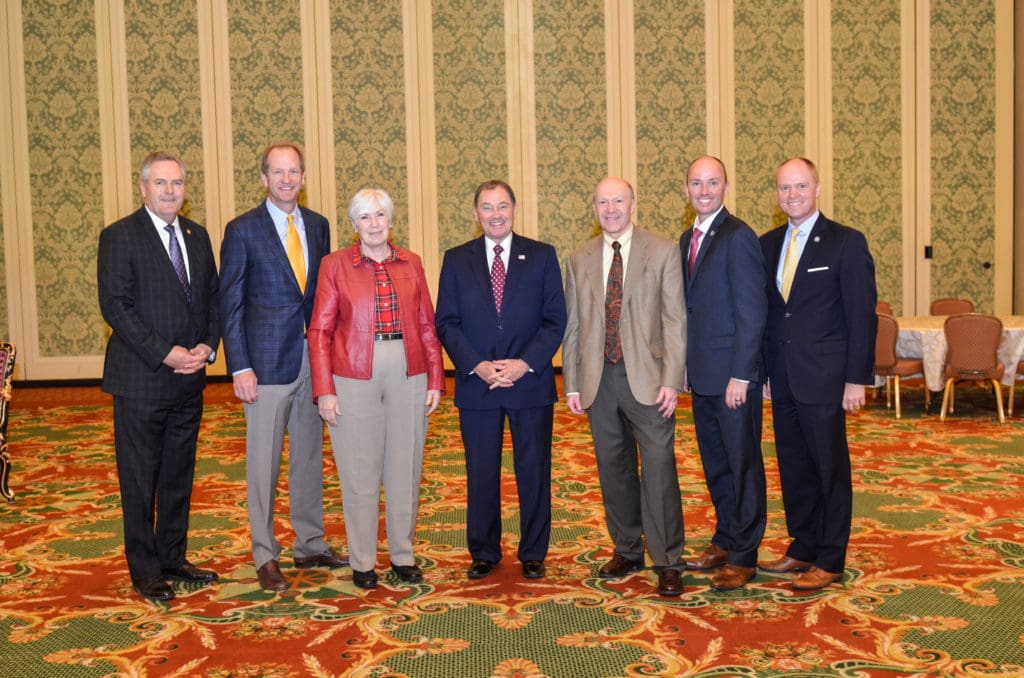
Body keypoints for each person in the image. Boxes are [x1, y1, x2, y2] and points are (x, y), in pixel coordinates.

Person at [219, 142, 346, 593]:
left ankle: (310, 543)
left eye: (294, 172)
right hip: (265, 368)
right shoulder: (242, 230)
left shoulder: (318, 225)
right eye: (278, 172)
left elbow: (321, 300)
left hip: (312, 362)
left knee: (310, 458)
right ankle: (264, 554)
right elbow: (230, 305)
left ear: (304, 176)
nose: (287, 180)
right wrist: (240, 368)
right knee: (263, 465)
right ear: (264, 178)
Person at [97, 151, 220, 602]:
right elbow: (116, 307)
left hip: (190, 378)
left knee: (177, 474)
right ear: (144, 187)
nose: (171, 191)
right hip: (142, 379)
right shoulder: (120, 236)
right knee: (139, 477)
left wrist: (207, 346)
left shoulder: (197, 235)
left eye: (178, 183)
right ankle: (145, 569)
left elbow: (212, 298)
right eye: (161, 183)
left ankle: (172, 557)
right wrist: (165, 353)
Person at [308, 188, 444, 590]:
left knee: (405, 468)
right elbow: (319, 331)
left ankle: (403, 555)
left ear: (390, 220)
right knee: (359, 472)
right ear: (354, 225)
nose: (374, 224)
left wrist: (435, 377)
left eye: (380, 215)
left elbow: (426, 325)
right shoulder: (334, 266)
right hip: (352, 375)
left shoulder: (412, 263)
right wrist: (324, 390)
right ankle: (363, 560)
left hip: (408, 371)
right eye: (365, 217)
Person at [562, 176, 688, 597]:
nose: (611, 208)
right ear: (594, 208)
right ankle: (627, 548)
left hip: (650, 380)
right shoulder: (578, 259)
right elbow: (574, 327)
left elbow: (674, 320)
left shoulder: (664, 250)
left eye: (618, 200)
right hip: (600, 381)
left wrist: (672, 379)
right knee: (613, 469)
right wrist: (573, 383)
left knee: (658, 469)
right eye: (602, 202)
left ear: (634, 204)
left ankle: (668, 559)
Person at [435, 180, 567, 581]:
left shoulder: (542, 256)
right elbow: (447, 321)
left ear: (515, 209)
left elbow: (555, 319)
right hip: (478, 384)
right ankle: (484, 551)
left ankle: (533, 551)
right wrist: (477, 365)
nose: (496, 214)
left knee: (534, 470)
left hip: (529, 383)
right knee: (481, 471)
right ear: (476, 213)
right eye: (487, 207)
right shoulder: (456, 259)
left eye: (503, 206)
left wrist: (524, 364)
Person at [758, 157, 877, 590]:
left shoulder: (846, 243)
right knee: (792, 464)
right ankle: (803, 546)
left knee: (829, 467)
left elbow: (862, 316)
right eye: (784, 188)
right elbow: (769, 314)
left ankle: (831, 557)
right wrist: (765, 372)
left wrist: (855, 379)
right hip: (783, 377)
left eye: (800, 187)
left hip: (827, 379)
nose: (792, 195)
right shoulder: (767, 244)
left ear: (818, 188)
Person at [679, 156, 768, 591]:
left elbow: (753, 314)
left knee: (743, 465)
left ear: (726, 187)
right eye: (697, 183)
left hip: (733, 381)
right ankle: (725, 537)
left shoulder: (739, 236)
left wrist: (742, 376)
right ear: (686, 188)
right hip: (701, 377)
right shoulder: (687, 239)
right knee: (716, 464)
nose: (704, 190)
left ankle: (745, 554)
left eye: (713, 182)